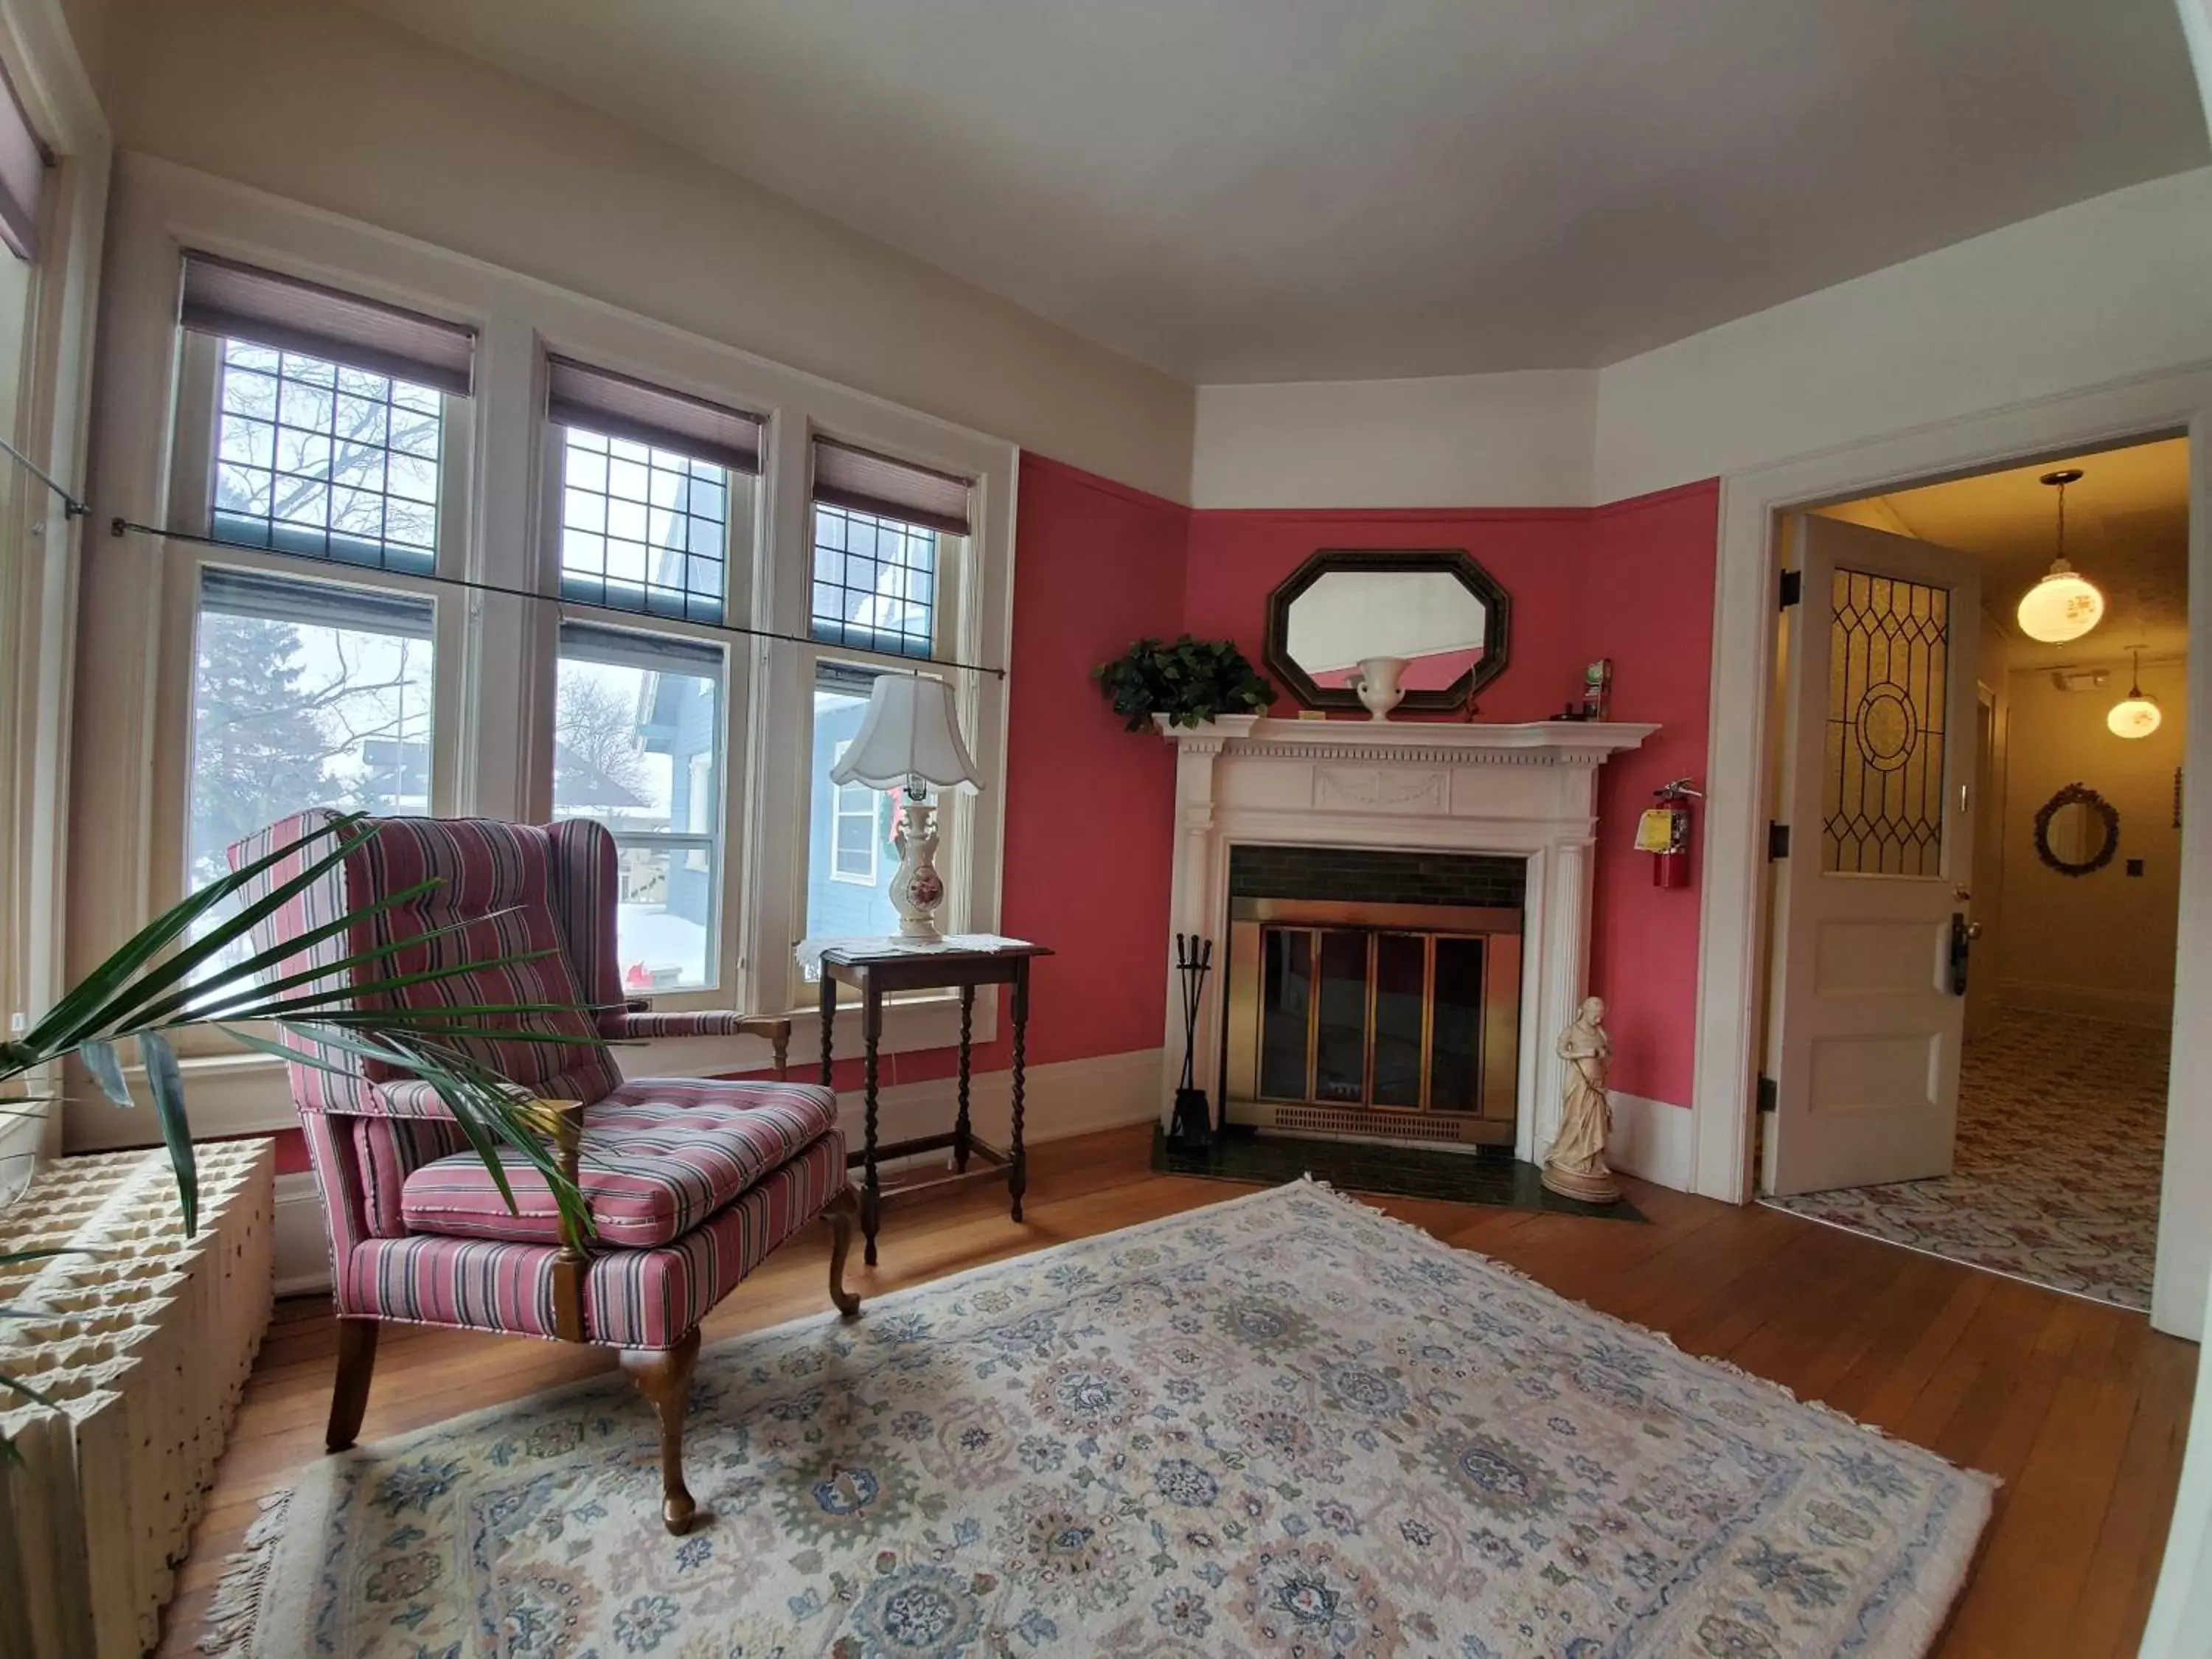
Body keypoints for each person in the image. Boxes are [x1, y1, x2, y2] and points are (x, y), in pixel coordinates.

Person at [1543, 995, 1621, 1203]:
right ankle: (1570, 1154)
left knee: (1596, 1122)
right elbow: (1561, 1051)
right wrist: (1583, 1052)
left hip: (1596, 1084)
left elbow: (1610, 1058)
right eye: (1595, 1015)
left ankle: (1592, 1160)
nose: (1598, 1019)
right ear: (1585, 1012)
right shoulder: (1572, 1030)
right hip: (1579, 1082)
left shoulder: (1601, 1033)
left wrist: (1604, 1055)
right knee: (1577, 1119)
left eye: (1601, 1016)